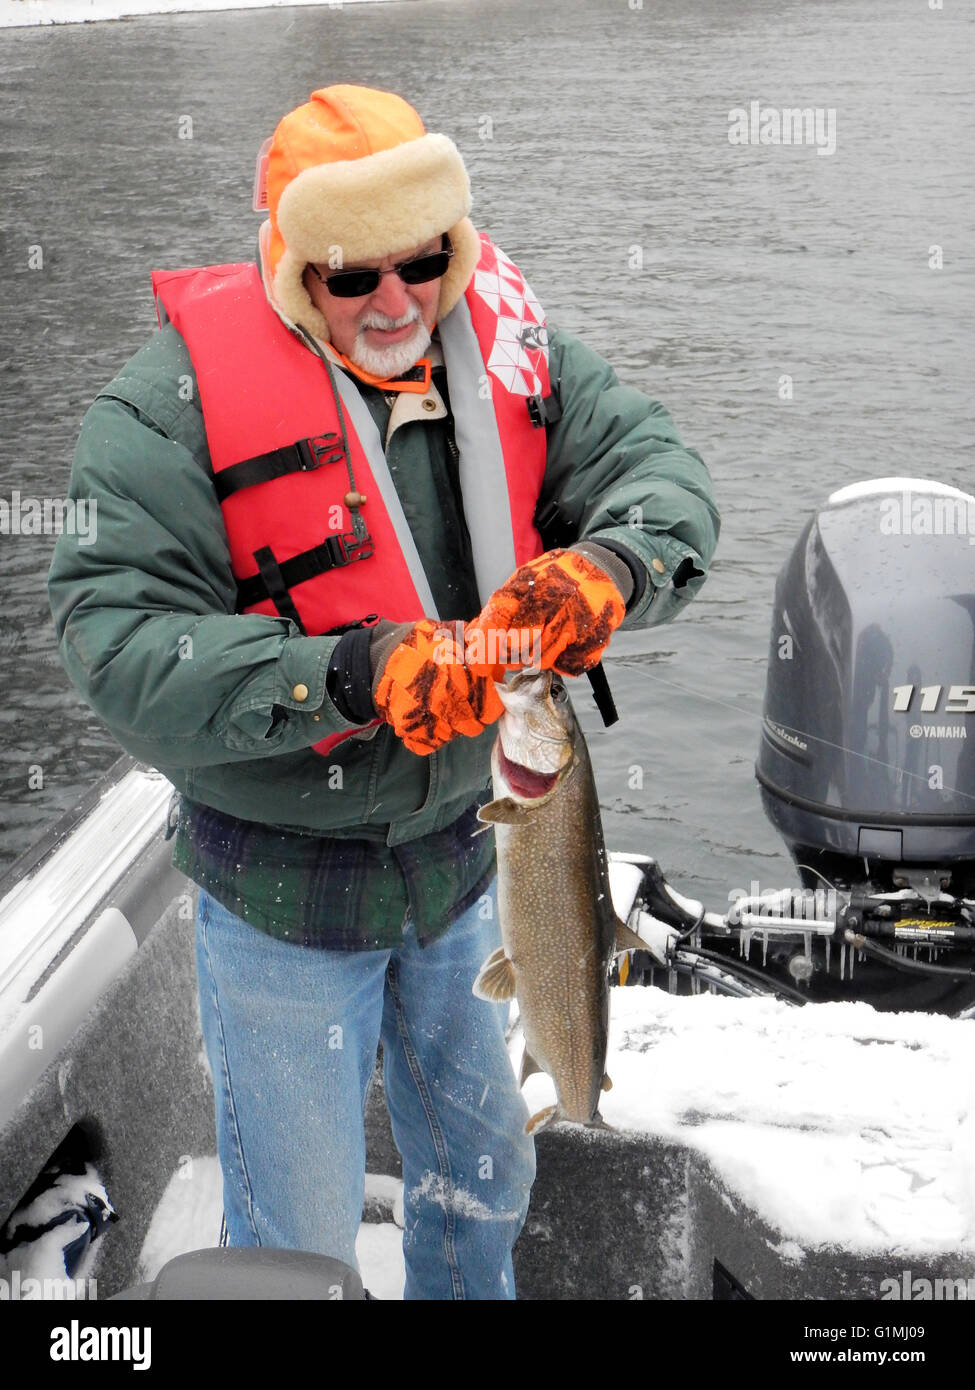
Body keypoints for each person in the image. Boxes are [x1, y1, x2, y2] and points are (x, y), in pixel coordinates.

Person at [48, 84, 719, 1300]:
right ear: (298, 262)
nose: (398, 301)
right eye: (356, 276)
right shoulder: (162, 411)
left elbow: (663, 475)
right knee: (294, 1238)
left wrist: (612, 567)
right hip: (281, 897)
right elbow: (117, 647)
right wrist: (347, 674)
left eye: (425, 263)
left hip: (471, 862)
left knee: (485, 1178)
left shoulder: (515, 360)